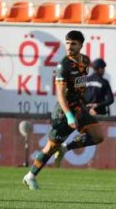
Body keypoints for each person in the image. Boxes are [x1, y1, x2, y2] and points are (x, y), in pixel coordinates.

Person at [23, 30, 105, 190]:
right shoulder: (64, 65)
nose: (69, 46)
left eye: (73, 43)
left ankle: (65, 148)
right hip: (64, 111)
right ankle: (30, 176)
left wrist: (84, 104)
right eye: (67, 43)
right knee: (50, 147)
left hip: (79, 107)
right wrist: (69, 116)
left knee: (98, 136)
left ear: (81, 45)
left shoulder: (85, 61)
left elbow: (80, 85)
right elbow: (60, 94)